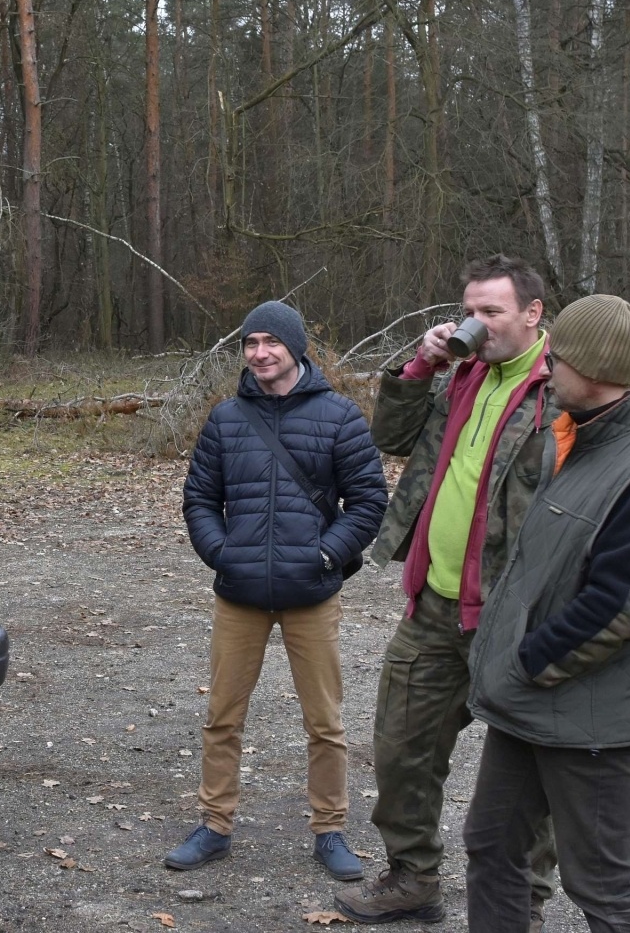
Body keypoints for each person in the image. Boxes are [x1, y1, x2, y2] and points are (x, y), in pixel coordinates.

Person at [461, 294, 630, 932]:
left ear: (593, 371)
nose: (546, 370)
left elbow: (625, 607)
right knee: (492, 846)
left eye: (557, 359)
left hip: (589, 716)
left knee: (604, 886)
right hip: (530, 705)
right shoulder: (578, 439)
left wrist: (526, 663)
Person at [336, 254, 558, 927]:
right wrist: (420, 366)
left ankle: (522, 903)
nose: (477, 323)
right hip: (434, 603)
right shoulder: (463, 372)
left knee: (529, 772)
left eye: (492, 311)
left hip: (516, 616)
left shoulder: (565, 390)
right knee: (402, 745)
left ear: (532, 312)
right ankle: (413, 878)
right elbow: (390, 436)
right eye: (471, 309)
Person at [167, 300, 387, 881]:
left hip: (311, 594)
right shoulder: (225, 419)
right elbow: (199, 500)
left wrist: (326, 553)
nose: (260, 353)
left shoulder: (340, 417)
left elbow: (368, 504)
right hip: (238, 596)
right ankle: (214, 825)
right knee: (221, 717)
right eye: (250, 342)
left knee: (325, 722)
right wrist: (222, 552)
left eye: (271, 342)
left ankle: (330, 829)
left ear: (296, 347)